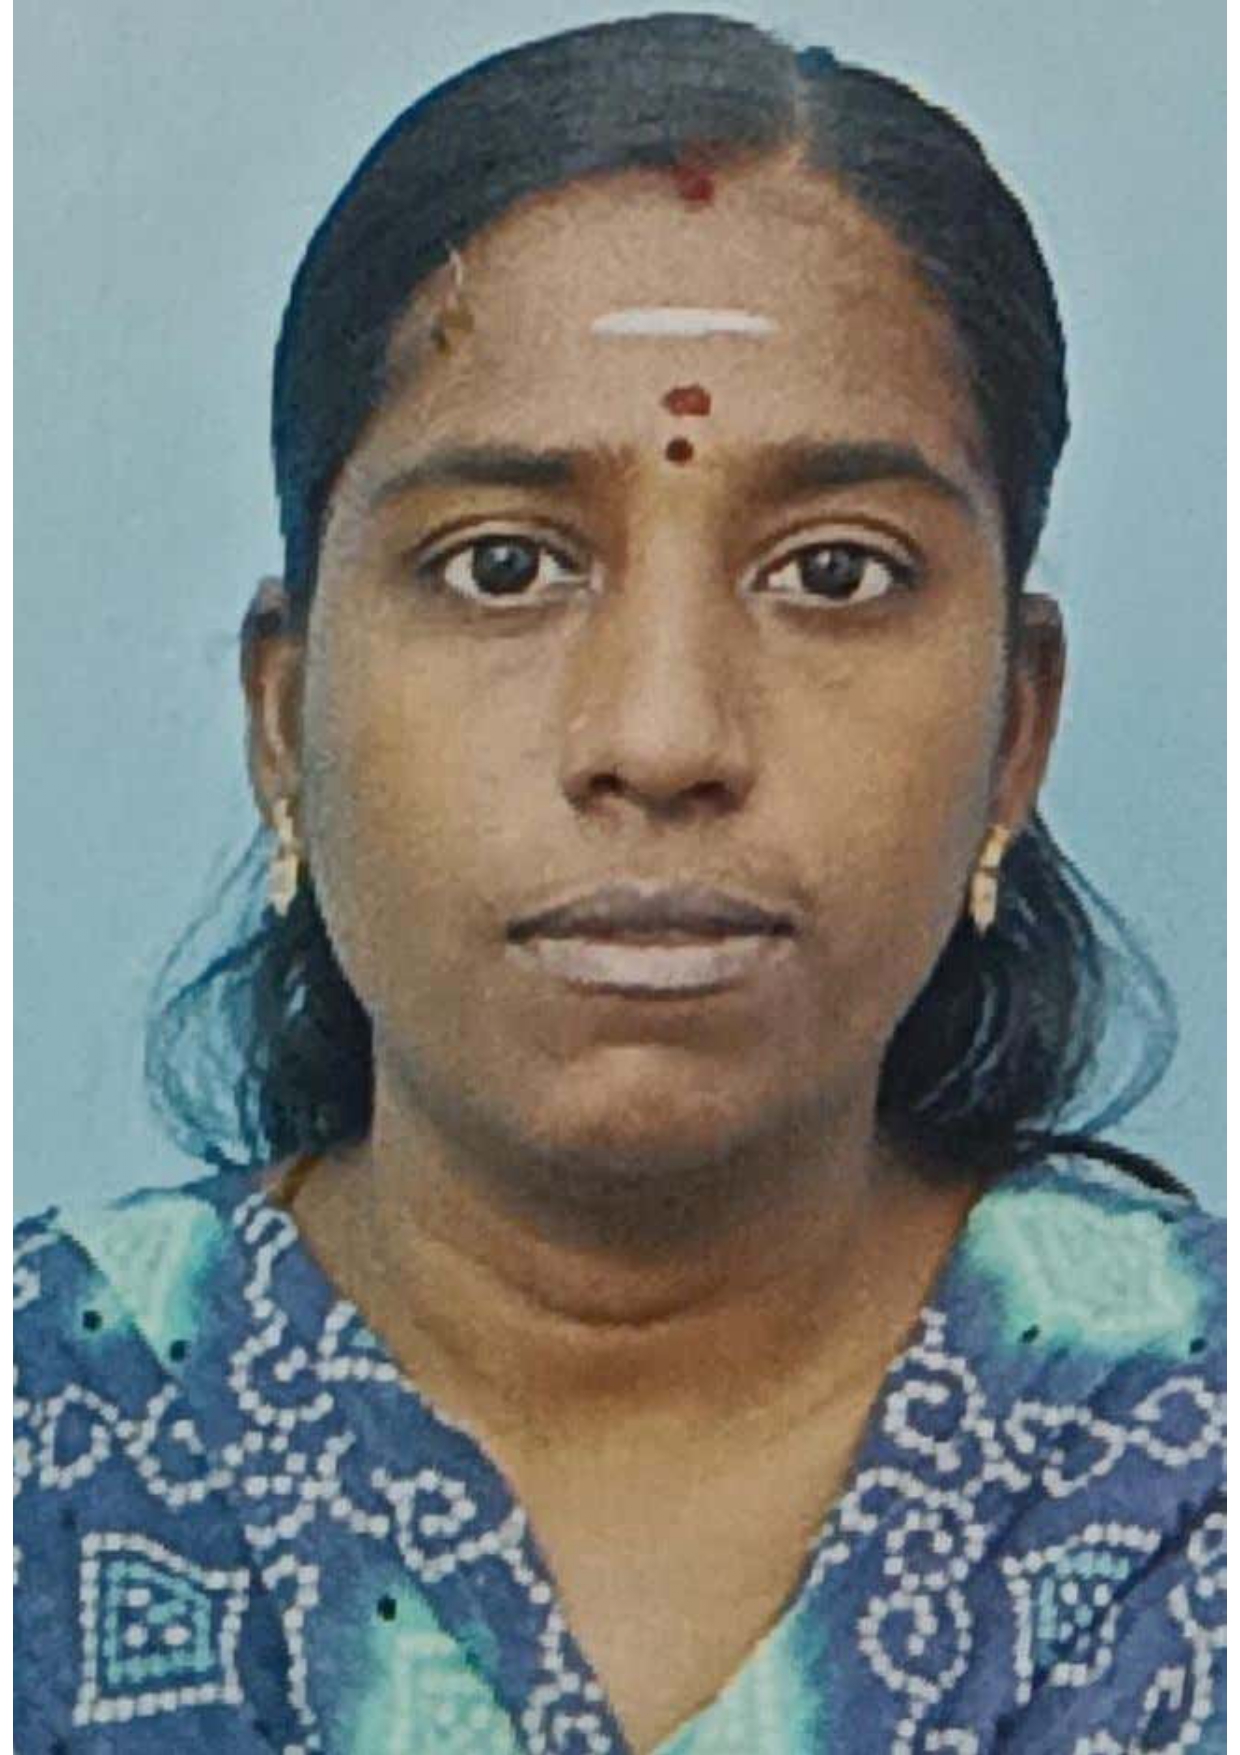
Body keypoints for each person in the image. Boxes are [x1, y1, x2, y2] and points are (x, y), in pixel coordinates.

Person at [14, 14, 1224, 1753]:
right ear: (285, 722)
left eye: (834, 573)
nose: (661, 737)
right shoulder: (54, 1433)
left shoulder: (1189, 1461)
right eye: (504, 566)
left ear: (1014, 738)